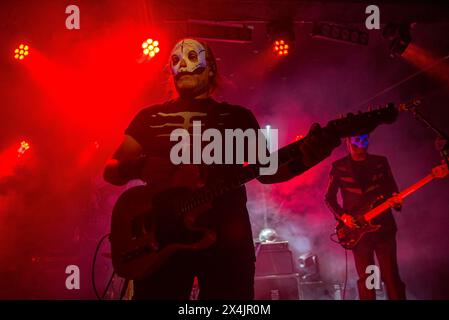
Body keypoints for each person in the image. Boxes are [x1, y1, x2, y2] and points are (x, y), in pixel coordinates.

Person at [104, 38, 340, 299]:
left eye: (192, 57)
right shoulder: (150, 118)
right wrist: (141, 165)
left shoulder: (237, 117)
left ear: (211, 68)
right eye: (175, 60)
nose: (183, 65)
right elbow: (112, 169)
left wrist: (308, 158)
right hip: (162, 238)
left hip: (228, 240)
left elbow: (268, 170)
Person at [325, 134, 406, 300]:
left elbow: (393, 190)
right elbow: (329, 198)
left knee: (391, 275)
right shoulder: (339, 166)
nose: (360, 143)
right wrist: (344, 217)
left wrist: (397, 202)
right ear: (347, 141)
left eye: (363, 139)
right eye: (355, 139)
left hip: (384, 227)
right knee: (368, 279)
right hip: (357, 230)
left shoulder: (380, 162)